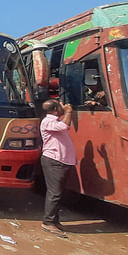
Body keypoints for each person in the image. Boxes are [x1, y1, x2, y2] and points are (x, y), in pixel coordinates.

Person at [40, 99, 76, 238]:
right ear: (55, 109)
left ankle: (54, 220)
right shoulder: (48, 121)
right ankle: (48, 222)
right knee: (54, 193)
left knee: (58, 193)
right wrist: (68, 111)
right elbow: (64, 126)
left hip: (61, 161)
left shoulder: (55, 121)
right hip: (54, 161)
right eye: (60, 105)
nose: (64, 106)